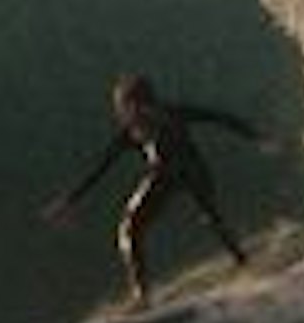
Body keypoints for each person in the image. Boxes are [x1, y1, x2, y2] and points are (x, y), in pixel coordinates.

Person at [41, 73, 272, 309]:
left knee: (211, 219)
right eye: (122, 107)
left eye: (124, 105)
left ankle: (246, 264)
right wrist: (69, 200)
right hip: (165, 177)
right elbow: (101, 167)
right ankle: (143, 295)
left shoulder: (171, 113)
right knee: (130, 229)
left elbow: (217, 117)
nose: (121, 112)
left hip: (191, 170)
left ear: (138, 103)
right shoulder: (132, 132)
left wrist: (257, 137)